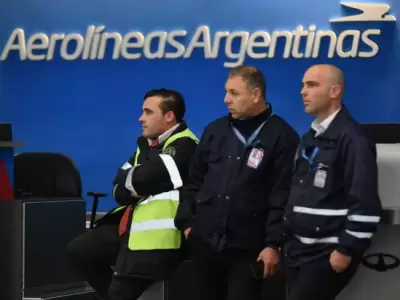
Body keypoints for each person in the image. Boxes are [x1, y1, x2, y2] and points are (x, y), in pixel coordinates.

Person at [174, 65, 300, 300]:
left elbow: (282, 194)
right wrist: (188, 223)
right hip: (205, 244)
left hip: (249, 248)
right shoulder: (215, 130)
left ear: (255, 95)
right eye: (226, 92)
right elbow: (193, 181)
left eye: (234, 93)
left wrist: (273, 244)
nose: (226, 99)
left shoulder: (282, 136)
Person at [66, 89, 198, 300]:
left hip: (160, 240)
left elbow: (147, 177)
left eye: (148, 112)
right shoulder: (145, 146)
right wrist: (137, 180)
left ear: (169, 116)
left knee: (118, 294)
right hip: (130, 231)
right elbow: (119, 188)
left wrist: (136, 180)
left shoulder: (186, 144)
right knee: (79, 250)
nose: (140, 118)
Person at [283, 64, 382, 300]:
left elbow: (365, 201)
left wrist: (346, 249)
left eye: (312, 85)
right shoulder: (309, 137)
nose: (302, 92)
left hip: (325, 253)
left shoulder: (353, 138)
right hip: (298, 250)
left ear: (334, 91)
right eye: (303, 85)